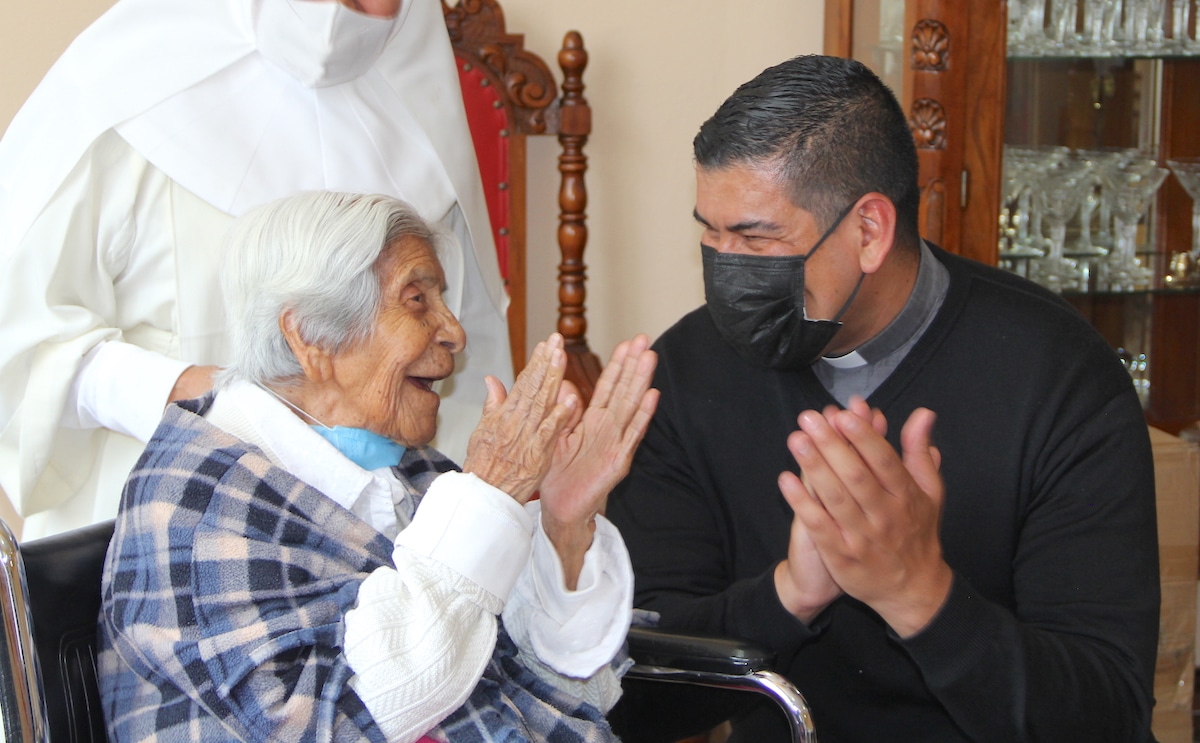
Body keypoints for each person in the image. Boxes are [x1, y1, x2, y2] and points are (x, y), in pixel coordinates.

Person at [606, 55, 1159, 743]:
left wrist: (919, 594)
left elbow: (1108, 717)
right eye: (710, 234)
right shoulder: (687, 372)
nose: (725, 267)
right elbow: (629, 701)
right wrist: (788, 595)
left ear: (869, 230)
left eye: (754, 237)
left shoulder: (1059, 374)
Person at [98, 190, 660, 741]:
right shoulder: (197, 505)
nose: (454, 332)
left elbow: (545, 687)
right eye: (416, 299)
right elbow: (339, 725)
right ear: (311, 337)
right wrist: (489, 495)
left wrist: (561, 525)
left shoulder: (408, 467)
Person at [0, 0, 509, 540]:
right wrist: (199, 398)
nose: (375, 8)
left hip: (383, 542)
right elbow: (20, 340)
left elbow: (461, 373)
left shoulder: (418, 106)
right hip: (156, 535)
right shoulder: (124, 80)